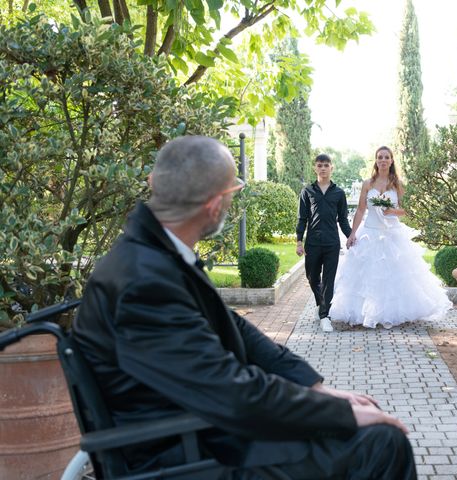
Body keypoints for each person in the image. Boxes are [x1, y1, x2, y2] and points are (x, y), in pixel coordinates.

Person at [73, 136, 416, 479]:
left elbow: (233, 327)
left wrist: (314, 386)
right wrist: (335, 412)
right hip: (183, 456)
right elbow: (230, 388)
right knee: (382, 442)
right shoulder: (143, 280)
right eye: (233, 190)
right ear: (213, 205)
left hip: (202, 430)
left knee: (367, 431)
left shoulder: (152, 252)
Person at [330, 146, 452, 329]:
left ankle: (393, 313)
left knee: (395, 275)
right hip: (369, 232)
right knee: (369, 275)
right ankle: (367, 313)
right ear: (376, 160)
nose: (383, 160)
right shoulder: (367, 184)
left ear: (392, 160)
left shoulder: (397, 184)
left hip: (392, 234)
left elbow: (407, 209)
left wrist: (392, 211)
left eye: (386, 157)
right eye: (380, 157)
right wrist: (352, 233)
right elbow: (361, 209)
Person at [296, 153, 352, 333]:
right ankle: (321, 305)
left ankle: (325, 316)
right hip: (312, 242)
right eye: (319, 165)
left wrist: (350, 236)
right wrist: (298, 241)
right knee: (312, 278)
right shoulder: (307, 191)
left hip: (332, 243)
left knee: (328, 280)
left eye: (326, 165)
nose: (323, 168)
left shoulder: (339, 193)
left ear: (331, 168)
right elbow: (302, 218)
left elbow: (343, 220)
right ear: (315, 168)